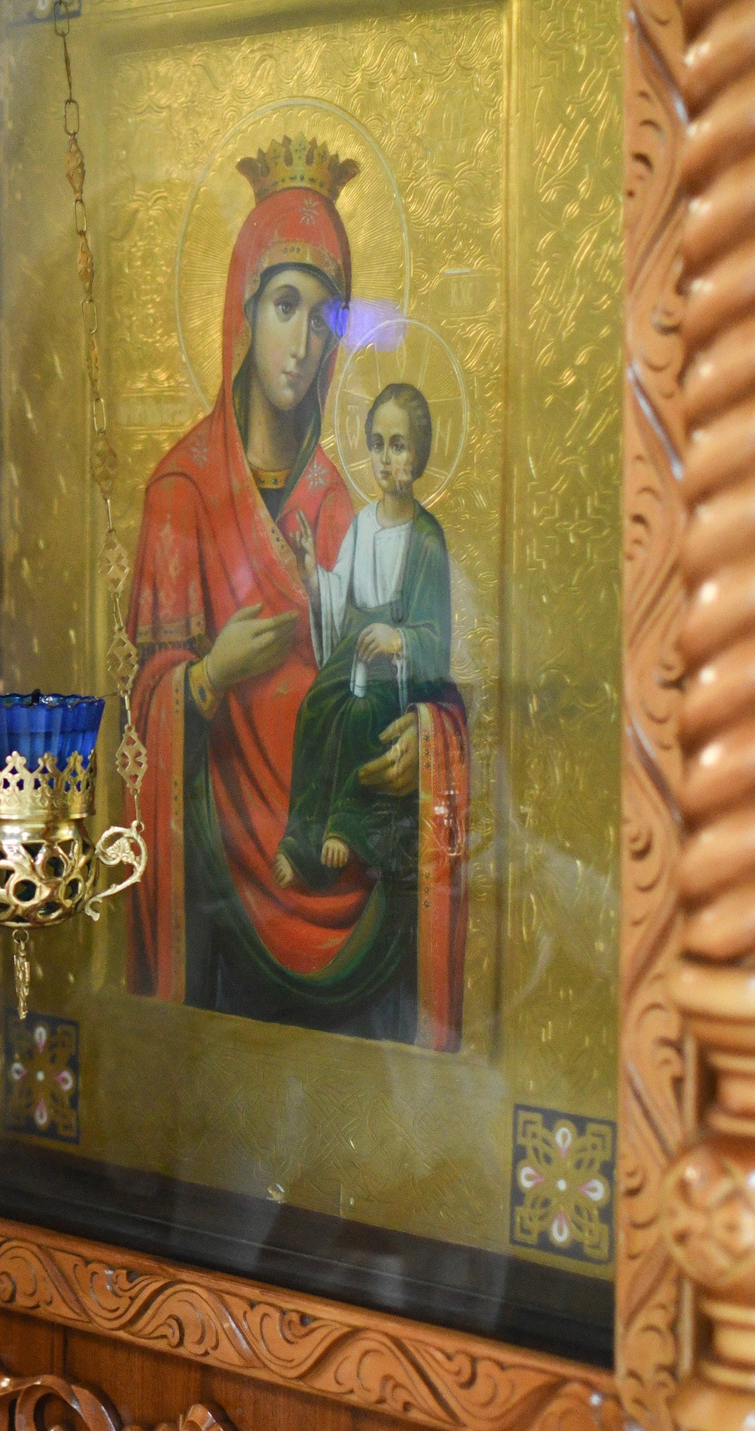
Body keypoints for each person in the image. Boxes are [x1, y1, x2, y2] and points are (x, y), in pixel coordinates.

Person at [122, 136, 469, 1046]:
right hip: (223, 886)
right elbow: (139, 715)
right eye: (286, 306)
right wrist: (201, 680)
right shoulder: (182, 491)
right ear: (243, 315)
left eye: (326, 317)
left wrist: (424, 741)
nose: (305, 342)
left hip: (348, 871)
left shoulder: (345, 500)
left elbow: (408, 665)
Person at [269, 381, 468, 1048]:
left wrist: (402, 640)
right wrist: (309, 571)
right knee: (316, 708)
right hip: (354, 654)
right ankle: (302, 838)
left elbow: (437, 636)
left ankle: (348, 831)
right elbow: (340, 597)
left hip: (397, 681)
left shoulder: (427, 537)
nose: (387, 460)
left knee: (359, 717)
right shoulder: (360, 525)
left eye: (400, 445)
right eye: (378, 445)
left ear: (421, 454)